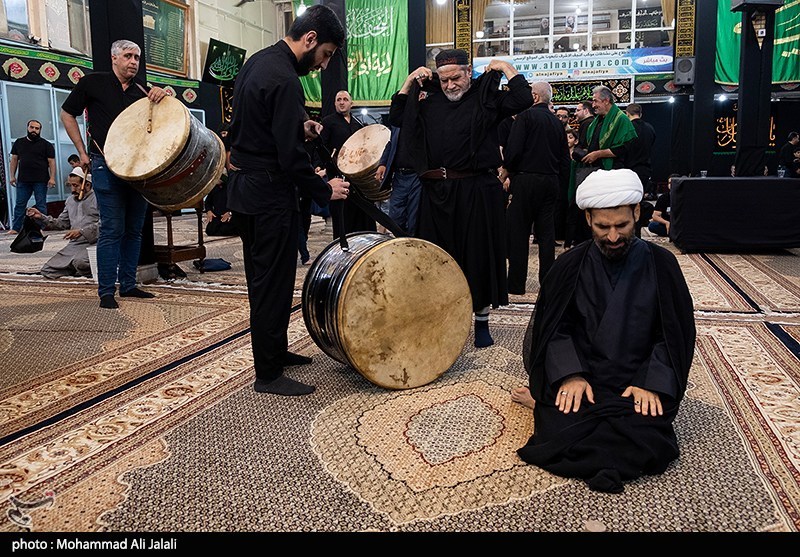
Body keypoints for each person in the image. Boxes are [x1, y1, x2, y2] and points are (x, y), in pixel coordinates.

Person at [516, 168, 696, 494]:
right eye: (603, 227)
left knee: (649, 439)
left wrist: (650, 384)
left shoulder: (662, 264)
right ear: (588, 220)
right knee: (558, 432)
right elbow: (556, 328)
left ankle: (546, 406)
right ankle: (546, 403)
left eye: (622, 225)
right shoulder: (568, 266)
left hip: (636, 380)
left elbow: (672, 335)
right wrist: (570, 375)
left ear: (637, 213)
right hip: (585, 377)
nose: (613, 236)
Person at [226, 4, 349, 397]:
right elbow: (290, 158)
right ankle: (268, 373)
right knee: (270, 286)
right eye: (326, 54)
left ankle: (276, 352)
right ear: (310, 39)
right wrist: (324, 189)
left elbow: (263, 126)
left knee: (272, 280)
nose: (323, 64)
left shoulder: (259, 62)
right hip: (268, 196)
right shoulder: (285, 79)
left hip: (249, 192)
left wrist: (302, 127)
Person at [389, 48, 533, 347]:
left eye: (456, 78)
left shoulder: (486, 98)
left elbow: (523, 98)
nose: (450, 85)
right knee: (437, 259)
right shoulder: (429, 102)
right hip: (436, 193)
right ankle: (440, 321)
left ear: (469, 73)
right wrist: (408, 81)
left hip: (477, 191)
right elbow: (398, 116)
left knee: (478, 256)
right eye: (444, 80)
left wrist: (505, 67)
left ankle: (481, 323)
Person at [61, 39, 168, 309]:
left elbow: (165, 119)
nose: (134, 62)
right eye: (128, 56)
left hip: (138, 169)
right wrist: (82, 153)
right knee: (111, 228)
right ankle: (106, 291)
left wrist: (164, 96)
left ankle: (129, 285)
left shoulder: (144, 91)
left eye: (137, 57)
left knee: (134, 229)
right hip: (103, 164)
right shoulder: (92, 83)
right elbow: (67, 114)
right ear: (114, 58)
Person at [502, 81, 570, 293]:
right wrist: (560, 185)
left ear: (534, 97)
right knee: (546, 235)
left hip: (525, 181)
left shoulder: (525, 117)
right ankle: (547, 282)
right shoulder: (558, 123)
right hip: (550, 182)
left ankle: (516, 284)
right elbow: (564, 159)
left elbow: (514, 151)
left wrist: (508, 172)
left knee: (519, 233)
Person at [26, 167, 99, 279]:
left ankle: (83, 269)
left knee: (80, 262)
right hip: (75, 245)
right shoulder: (70, 201)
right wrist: (40, 216)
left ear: (87, 185)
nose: (73, 189)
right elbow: (61, 223)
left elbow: (106, 224)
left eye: (76, 185)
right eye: (71, 186)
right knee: (48, 270)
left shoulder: (98, 199)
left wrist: (82, 232)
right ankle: (76, 269)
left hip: (94, 243)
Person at [319, 89, 374, 238]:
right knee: (343, 217)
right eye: (338, 100)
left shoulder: (358, 123)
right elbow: (320, 147)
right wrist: (322, 166)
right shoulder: (328, 122)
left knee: (363, 216)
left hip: (358, 179)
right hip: (339, 177)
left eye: (345, 99)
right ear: (335, 103)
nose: (342, 102)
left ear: (351, 103)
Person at [8, 119, 56, 235]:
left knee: (41, 204)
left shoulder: (46, 145)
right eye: (32, 127)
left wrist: (52, 178)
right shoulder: (19, 143)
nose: (34, 130)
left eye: (37, 128)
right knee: (20, 204)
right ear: (27, 128)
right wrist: (12, 176)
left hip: (40, 180)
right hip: (23, 180)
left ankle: (41, 228)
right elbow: (14, 160)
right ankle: (15, 228)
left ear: (40, 130)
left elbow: (51, 162)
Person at [374, 125, 422, 236]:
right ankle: (402, 245)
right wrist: (383, 163)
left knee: (414, 220)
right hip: (399, 176)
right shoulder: (398, 123)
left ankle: (413, 249)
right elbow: (391, 144)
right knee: (395, 218)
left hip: (416, 176)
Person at [581, 85, 637, 171]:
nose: (593, 105)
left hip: (612, 171)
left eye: (595, 101)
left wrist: (598, 154)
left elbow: (624, 147)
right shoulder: (597, 121)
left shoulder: (621, 119)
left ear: (606, 101)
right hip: (595, 170)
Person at [625, 103, 657, 201]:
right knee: (640, 200)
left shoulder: (626, 128)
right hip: (644, 170)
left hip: (628, 171)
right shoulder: (650, 128)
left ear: (627, 114)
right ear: (640, 114)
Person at [647, 173, 678, 238]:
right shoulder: (663, 198)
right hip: (666, 224)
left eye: (673, 182)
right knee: (652, 226)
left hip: (679, 225)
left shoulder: (684, 197)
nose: (671, 185)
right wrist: (666, 223)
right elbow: (655, 216)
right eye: (669, 183)